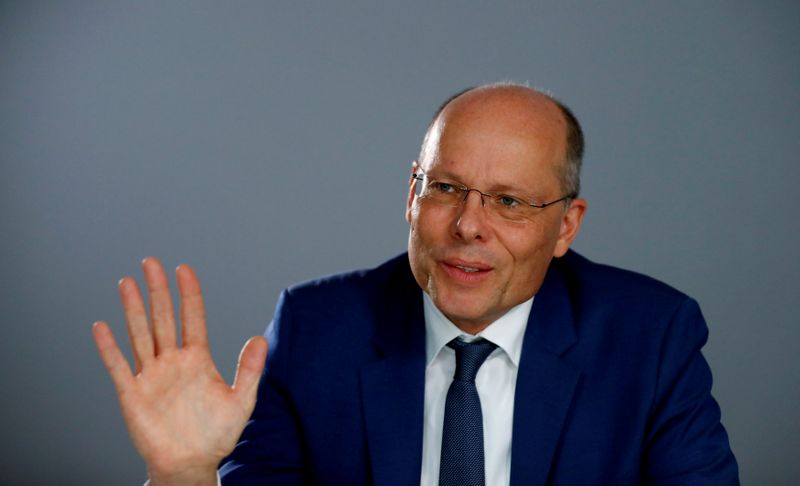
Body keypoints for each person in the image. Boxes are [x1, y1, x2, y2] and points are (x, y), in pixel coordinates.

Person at [93, 82, 739, 485]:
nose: (468, 226)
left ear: (566, 225)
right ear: (412, 194)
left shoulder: (652, 339)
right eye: (447, 188)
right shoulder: (315, 330)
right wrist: (183, 475)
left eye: (509, 201)